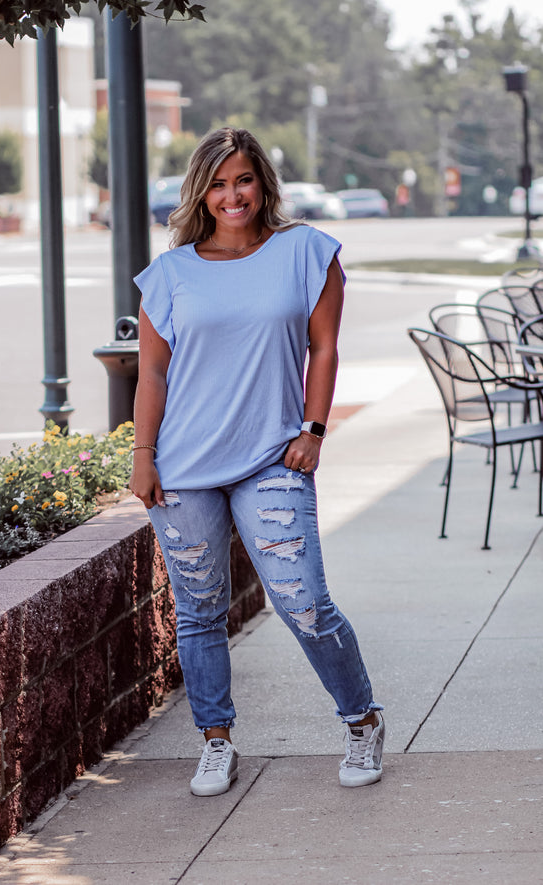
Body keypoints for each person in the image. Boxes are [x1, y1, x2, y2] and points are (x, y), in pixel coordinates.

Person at [129, 127, 384, 797]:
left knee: (304, 601)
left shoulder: (305, 251)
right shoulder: (170, 272)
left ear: (261, 182)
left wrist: (315, 430)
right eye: (217, 183)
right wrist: (143, 455)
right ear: (201, 193)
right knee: (199, 610)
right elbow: (152, 372)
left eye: (241, 179)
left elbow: (323, 349)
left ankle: (362, 718)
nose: (231, 194)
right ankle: (216, 740)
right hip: (184, 465)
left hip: (273, 456)